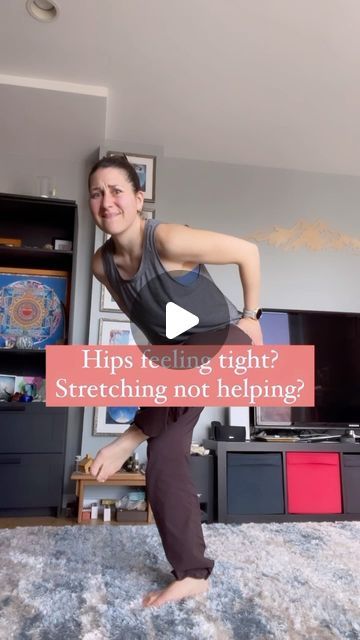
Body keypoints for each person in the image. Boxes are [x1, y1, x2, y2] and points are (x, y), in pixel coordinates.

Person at [88, 154, 263, 608]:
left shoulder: (165, 238)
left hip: (227, 339)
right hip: (183, 360)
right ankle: (192, 573)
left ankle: (127, 438)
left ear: (139, 198)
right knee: (164, 460)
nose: (107, 201)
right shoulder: (101, 266)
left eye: (117, 190)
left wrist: (252, 317)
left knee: (162, 411)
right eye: (96, 193)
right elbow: (146, 319)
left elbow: (249, 252)